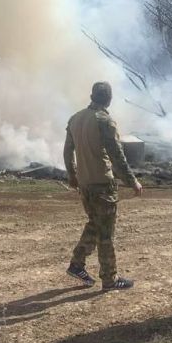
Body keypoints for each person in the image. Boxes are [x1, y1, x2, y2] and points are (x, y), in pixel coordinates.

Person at [63, 81, 143, 291]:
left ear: (91, 95)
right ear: (109, 99)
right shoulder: (104, 121)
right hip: (102, 184)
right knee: (106, 232)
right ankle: (110, 278)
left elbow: (67, 151)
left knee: (96, 223)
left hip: (85, 183)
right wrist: (132, 181)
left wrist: (72, 176)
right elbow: (117, 156)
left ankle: (77, 264)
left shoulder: (75, 119)